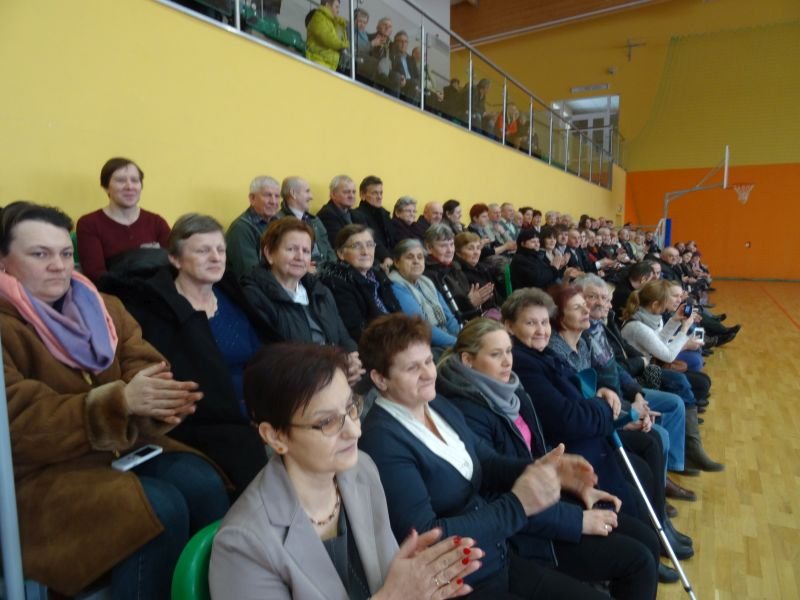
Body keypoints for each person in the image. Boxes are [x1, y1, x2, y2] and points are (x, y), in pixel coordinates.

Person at [0, 201, 228, 598]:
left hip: (123, 449)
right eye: (40, 254)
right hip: (39, 475)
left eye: (65, 253)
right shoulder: (6, 326)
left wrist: (157, 399)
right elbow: (17, 421)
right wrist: (119, 403)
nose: (58, 266)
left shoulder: (103, 305)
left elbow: (144, 363)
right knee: (158, 507)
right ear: (4, 262)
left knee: (203, 484)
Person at [359, 314, 625, 599]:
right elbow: (427, 535)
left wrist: (547, 469)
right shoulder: (382, 442)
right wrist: (518, 505)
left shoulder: (436, 404)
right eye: (413, 367)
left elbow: (485, 462)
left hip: (498, 559)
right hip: (461, 586)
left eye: (427, 361)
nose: (428, 373)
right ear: (380, 379)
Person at [210, 342, 483, 598]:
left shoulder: (360, 471)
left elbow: (387, 580)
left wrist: (415, 580)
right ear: (275, 437)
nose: (354, 431)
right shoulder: (244, 544)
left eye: (351, 408)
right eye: (327, 422)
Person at [437, 319, 659, 599]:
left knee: (647, 539)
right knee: (639, 562)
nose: (507, 361)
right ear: (468, 360)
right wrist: (576, 520)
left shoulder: (513, 392)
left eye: (508, 351)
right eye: (495, 354)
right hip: (525, 534)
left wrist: (573, 486)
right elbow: (497, 493)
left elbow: (537, 457)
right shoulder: (466, 411)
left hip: (548, 506)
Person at [107, 213, 280, 496]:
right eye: (203, 251)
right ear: (175, 259)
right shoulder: (153, 310)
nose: (216, 258)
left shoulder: (231, 293)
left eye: (221, 250)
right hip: (203, 422)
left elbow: (268, 351)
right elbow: (178, 385)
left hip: (260, 407)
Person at [241, 217, 364, 385]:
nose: (300, 257)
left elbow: (343, 337)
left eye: (306, 251)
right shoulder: (254, 296)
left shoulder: (321, 291)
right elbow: (274, 359)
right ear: (269, 253)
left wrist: (352, 360)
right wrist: (336, 365)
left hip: (333, 377)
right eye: (291, 249)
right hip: (295, 386)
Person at [621, 280, 723, 471]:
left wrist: (675, 320)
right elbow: (666, 354)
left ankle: (689, 443)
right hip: (641, 374)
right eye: (671, 298)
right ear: (655, 304)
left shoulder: (651, 318)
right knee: (681, 382)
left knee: (697, 381)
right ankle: (691, 448)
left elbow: (659, 341)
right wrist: (684, 329)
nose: (676, 301)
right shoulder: (637, 326)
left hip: (650, 367)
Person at [76, 157, 170, 282]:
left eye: (135, 180)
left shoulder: (157, 222)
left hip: (159, 289)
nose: (129, 186)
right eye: (120, 180)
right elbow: (96, 275)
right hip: (112, 292)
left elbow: (175, 263)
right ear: (106, 187)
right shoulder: (89, 224)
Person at [319, 224, 401, 342]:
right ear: (341, 253)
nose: (365, 252)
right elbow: (358, 331)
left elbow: (398, 313)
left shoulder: (378, 276)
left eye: (370, 245)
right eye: (357, 246)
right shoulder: (337, 283)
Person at [387, 238, 459, 350]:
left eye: (420, 257)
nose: (416, 261)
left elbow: (449, 318)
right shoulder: (395, 285)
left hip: (449, 340)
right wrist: (458, 343)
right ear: (397, 262)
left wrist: (462, 336)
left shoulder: (426, 281)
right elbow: (422, 328)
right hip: (427, 345)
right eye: (410, 257)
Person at [424, 224, 488, 323]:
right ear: (429, 248)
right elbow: (443, 314)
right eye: (443, 246)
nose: (449, 250)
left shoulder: (455, 266)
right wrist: (470, 304)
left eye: (451, 244)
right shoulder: (429, 275)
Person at [226, 175, 282, 280]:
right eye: (268, 195)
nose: (273, 201)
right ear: (252, 198)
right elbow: (250, 273)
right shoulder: (241, 229)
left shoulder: (280, 223)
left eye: (277, 196)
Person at [276, 176, 337, 270]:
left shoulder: (315, 220)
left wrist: (335, 270)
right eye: (307, 191)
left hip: (325, 272)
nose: (311, 197)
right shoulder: (278, 222)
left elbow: (329, 251)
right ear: (293, 193)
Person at [353, 175, 395, 268]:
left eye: (381, 193)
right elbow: (370, 240)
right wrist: (386, 257)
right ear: (362, 195)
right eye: (375, 193)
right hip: (375, 262)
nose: (379, 197)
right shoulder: (357, 215)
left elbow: (393, 239)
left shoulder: (385, 214)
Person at [317, 174, 359, 250]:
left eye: (353, 192)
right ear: (333, 194)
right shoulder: (327, 214)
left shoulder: (355, 213)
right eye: (346, 192)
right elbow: (339, 243)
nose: (351, 196)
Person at [305, 0, 349, 72]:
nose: (338, 10)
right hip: (317, 62)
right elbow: (329, 39)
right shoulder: (319, 17)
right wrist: (345, 45)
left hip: (328, 65)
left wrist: (342, 24)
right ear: (327, 5)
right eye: (336, 7)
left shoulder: (332, 22)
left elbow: (340, 38)